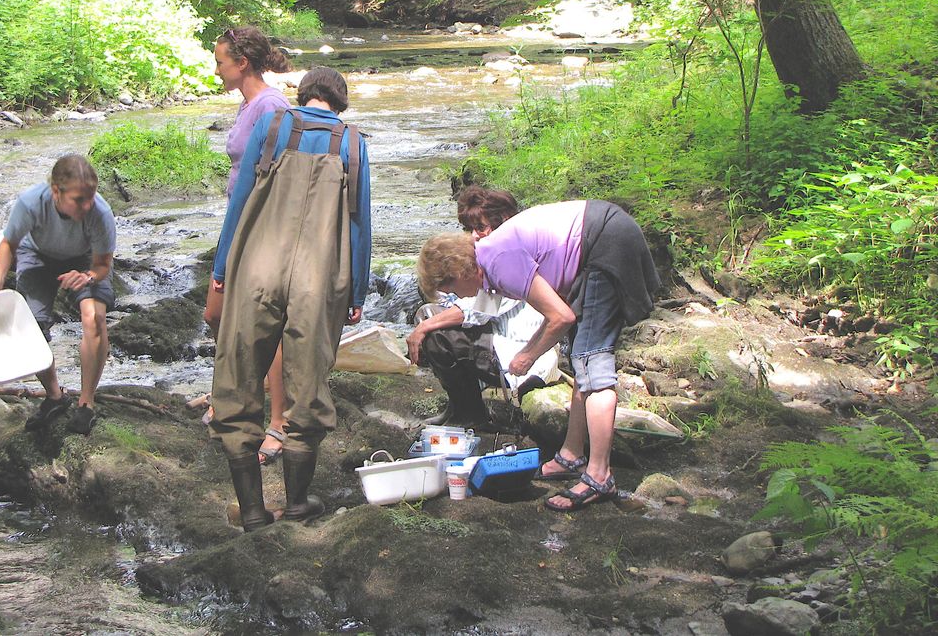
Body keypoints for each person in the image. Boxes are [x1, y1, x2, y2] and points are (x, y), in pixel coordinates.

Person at [417, 198, 660, 511]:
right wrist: (530, 349)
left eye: (450, 287)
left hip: (606, 241)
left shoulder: (499, 261)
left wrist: (528, 355)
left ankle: (599, 475)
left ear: (460, 271)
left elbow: (561, 317)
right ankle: (571, 456)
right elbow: (554, 312)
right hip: (597, 241)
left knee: (593, 364)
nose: (455, 295)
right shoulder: (492, 256)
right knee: (580, 360)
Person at [210, 67, 372, 531]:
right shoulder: (352, 142)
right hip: (320, 277)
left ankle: (254, 511)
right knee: (308, 385)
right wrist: (357, 289)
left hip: (257, 265)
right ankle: (298, 503)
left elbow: (240, 199)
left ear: (303, 94)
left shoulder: (273, 124)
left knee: (238, 380)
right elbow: (359, 223)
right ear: (340, 101)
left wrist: (223, 267)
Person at [205, 26, 293, 465]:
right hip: (236, 223)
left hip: (258, 228)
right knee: (216, 315)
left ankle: (278, 420)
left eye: (220, 61)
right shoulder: (247, 105)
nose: (216, 69)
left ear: (242, 64)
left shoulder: (272, 106)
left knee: (264, 327)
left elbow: (279, 174)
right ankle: (237, 394)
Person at [0, 154, 116, 436]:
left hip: (84, 258)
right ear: (56, 191)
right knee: (31, 329)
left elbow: (103, 265)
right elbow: (9, 244)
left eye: (90, 197)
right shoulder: (31, 203)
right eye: (79, 199)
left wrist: (87, 276)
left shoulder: (100, 214)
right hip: (37, 255)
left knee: (94, 319)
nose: (87, 205)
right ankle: (55, 396)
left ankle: (86, 403)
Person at [406, 186, 557, 431]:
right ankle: (459, 404)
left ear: (504, 222)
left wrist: (425, 327)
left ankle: (469, 413)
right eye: (469, 229)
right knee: (430, 315)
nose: (474, 236)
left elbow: (479, 308)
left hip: (519, 357)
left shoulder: (513, 257)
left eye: (481, 228)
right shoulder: (495, 253)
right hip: (500, 344)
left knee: (437, 336)